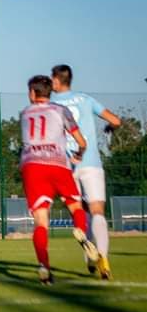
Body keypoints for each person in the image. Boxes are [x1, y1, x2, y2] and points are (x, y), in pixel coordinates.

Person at [19, 75, 99, 285]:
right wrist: (79, 153)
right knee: (75, 206)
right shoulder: (60, 111)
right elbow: (81, 141)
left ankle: (44, 268)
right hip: (58, 164)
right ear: (49, 92)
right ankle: (81, 231)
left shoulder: (25, 113)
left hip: (32, 166)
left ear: (33, 93)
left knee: (41, 220)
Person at [51, 64, 121, 279]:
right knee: (97, 210)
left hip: (67, 165)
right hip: (91, 162)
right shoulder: (85, 99)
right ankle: (103, 258)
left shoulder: (52, 105)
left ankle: (88, 254)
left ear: (57, 80)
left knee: (80, 213)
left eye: (52, 79)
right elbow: (115, 120)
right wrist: (111, 128)